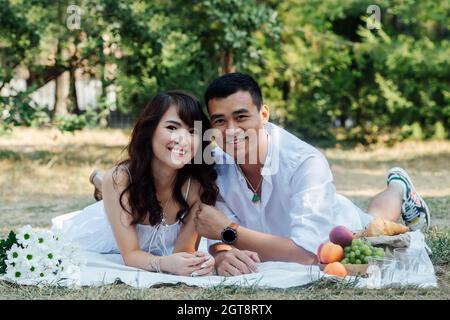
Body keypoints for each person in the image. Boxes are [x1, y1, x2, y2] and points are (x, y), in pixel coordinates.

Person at [192, 72, 431, 276]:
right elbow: (216, 230)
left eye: (241, 117)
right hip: (272, 238)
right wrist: (222, 254)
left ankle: (399, 188)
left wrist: (228, 233)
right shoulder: (215, 167)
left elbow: (307, 255)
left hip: (337, 228)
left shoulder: (305, 162)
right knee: (374, 215)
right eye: (220, 121)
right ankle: (398, 187)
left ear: (264, 115)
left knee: (374, 222)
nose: (231, 130)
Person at [52, 90, 218, 277]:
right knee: (111, 183)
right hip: (105, 240)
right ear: (150, 130)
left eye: (192, 131)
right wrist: (162, 263)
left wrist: (198, 262)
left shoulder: (196, 187)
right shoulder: (120, 179)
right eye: (172, 127)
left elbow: (182, 254)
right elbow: (130, 255)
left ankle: (99, 186)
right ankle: (102, 188)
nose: (183, 139)